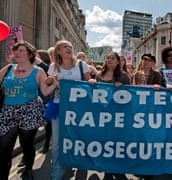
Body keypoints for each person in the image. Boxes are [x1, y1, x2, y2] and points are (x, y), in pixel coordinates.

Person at [0, 41, 58, 180]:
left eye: (21, 50)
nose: (17, 53)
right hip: (7, 112)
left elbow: (44, 91)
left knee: (27, 145)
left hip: (29, 111)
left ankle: (28, 169)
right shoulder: (8, 68)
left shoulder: (38, 71)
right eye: (16, 50)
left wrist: (55, 84)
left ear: (30, 54)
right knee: (3, 149)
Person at [48, 40, 90, 180]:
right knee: (57, 141)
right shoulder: (53, 67)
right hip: (58, 106)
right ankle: (56, 173)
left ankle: (80, 164)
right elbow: (49, 86)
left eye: (70, 47)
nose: (69, 48)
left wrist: (91, 82)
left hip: (78, 109)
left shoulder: (81, 65)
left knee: (78, 138)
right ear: (58, 51)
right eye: (65, 47)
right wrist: (52, 81)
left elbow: (89, 86)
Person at [89, 51, 130, 180]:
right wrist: (91, 83)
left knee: (116, 142)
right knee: (104, 141)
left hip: (117, 115)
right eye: (108, 58)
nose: (109, 60)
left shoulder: (124, 76)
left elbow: (131, 95)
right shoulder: (99, 75)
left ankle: (117, 168)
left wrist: (122, 88)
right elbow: (94, 93)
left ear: (118, 61)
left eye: (112, 58)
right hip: (101, 115)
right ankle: (107, 170)